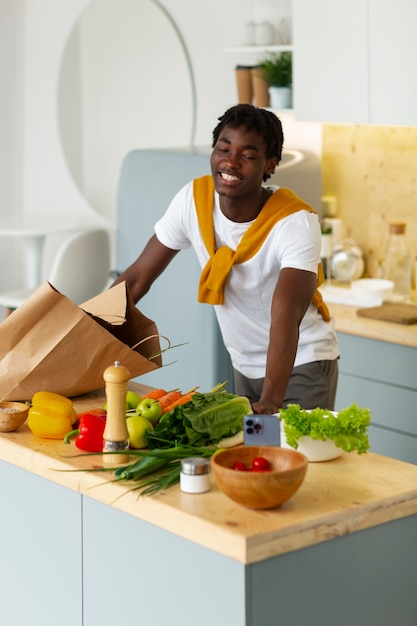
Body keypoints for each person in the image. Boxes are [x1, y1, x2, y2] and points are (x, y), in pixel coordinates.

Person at [113, 104, 339, 414]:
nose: (230, 163)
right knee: (252, 459)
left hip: (302, 362)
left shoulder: (294, 222)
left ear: (269, 165)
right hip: (244, 365)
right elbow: (138, 277)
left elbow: (285, 314)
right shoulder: (194, 201)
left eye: (247, 156)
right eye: (223, 148)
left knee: (296, 459)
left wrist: (271, 400)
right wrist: (82, 330)